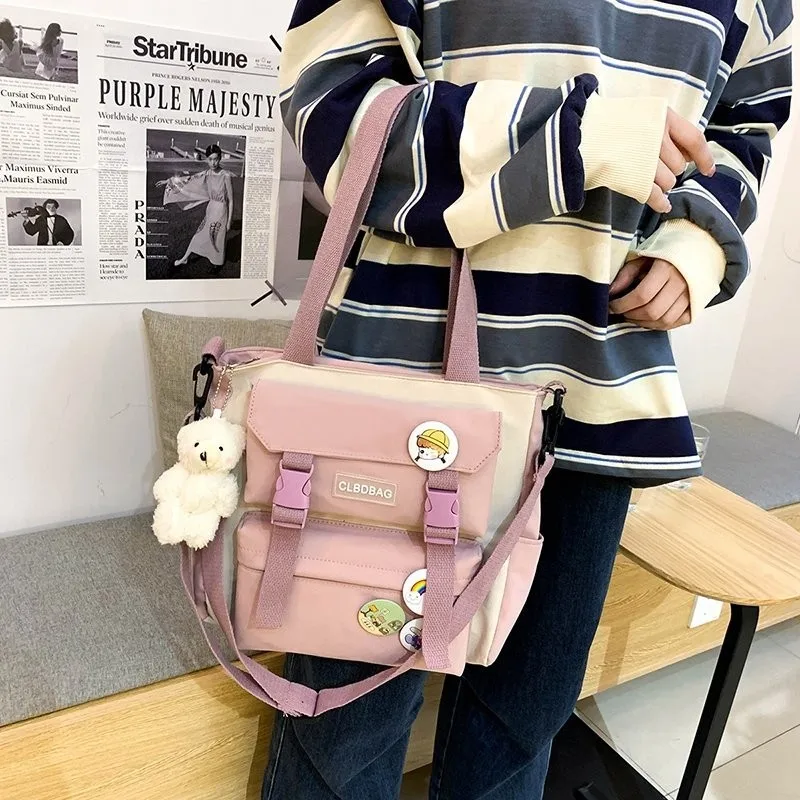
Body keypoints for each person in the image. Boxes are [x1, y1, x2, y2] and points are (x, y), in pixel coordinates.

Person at [266, 2, 793, 798]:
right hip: (401, 396)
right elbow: (335, 112)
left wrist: (696, 245)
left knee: (522, 724)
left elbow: (745, 127)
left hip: (596, 396)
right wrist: (573, 138)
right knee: (346, 726)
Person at [158, 144, 234, 270]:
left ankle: (216, 263)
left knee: (216, 237)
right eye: (210, 159)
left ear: (220, 158)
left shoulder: (225, 175)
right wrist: (169, 181)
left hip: (221, 210)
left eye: (216, 159)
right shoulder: (207, 174)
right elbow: (188, 179)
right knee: (199, 235)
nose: (213, 163)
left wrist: (229, 221)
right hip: (211, 208)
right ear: (207, 160)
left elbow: (231, 200)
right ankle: (185, 258)